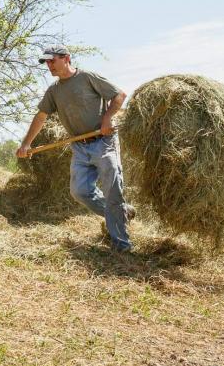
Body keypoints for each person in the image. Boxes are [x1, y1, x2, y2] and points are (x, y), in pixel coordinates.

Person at [15, 45, 135, 252]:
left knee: (112, 189)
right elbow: (41, 116)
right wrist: (27, 143)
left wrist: (107, 118)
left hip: (103, 141)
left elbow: (119, 95)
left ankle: (121, 245)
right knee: (80, 192)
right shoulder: (54, 91)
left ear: (66, 58)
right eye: (46, 62)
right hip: (79, 146)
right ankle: (121, 212)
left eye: (52, 60)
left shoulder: (87, 77)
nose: (49, 65)